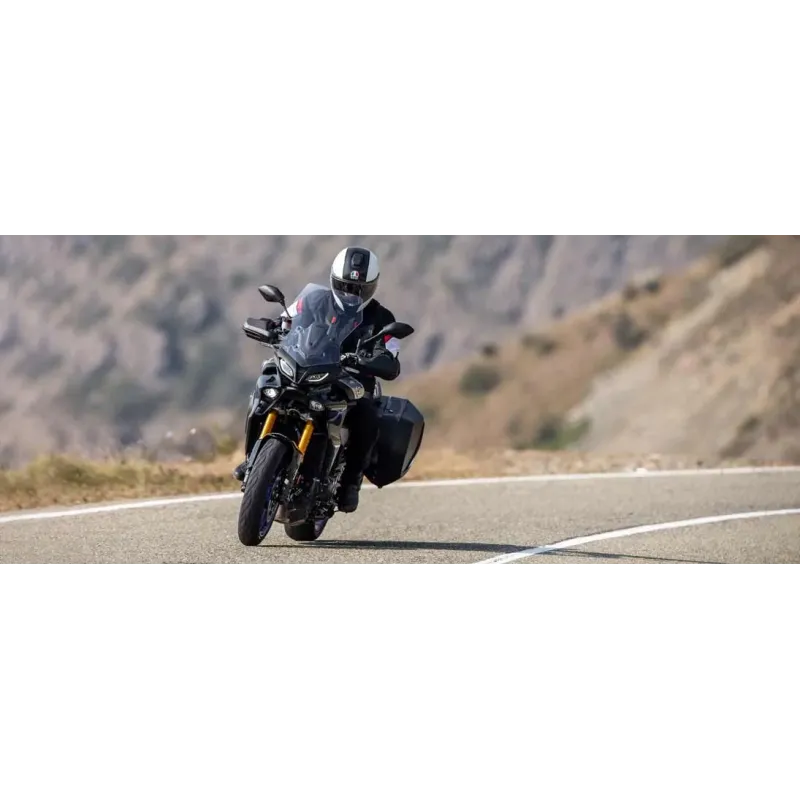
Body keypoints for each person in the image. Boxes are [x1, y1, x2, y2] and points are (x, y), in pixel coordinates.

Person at [233, 246, 402, 513]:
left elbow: (390, 353)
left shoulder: (382, 318)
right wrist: (272, 328)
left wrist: (379, 360)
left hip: (351, 381)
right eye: (345, 286)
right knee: (266, 384)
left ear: (373, 287)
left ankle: (350, 482)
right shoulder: (313, 300)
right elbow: (285, 321)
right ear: (333, 280)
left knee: (367, 416)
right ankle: (253, 455)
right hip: (305, 366)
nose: (351, 294)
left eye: (360, 289)